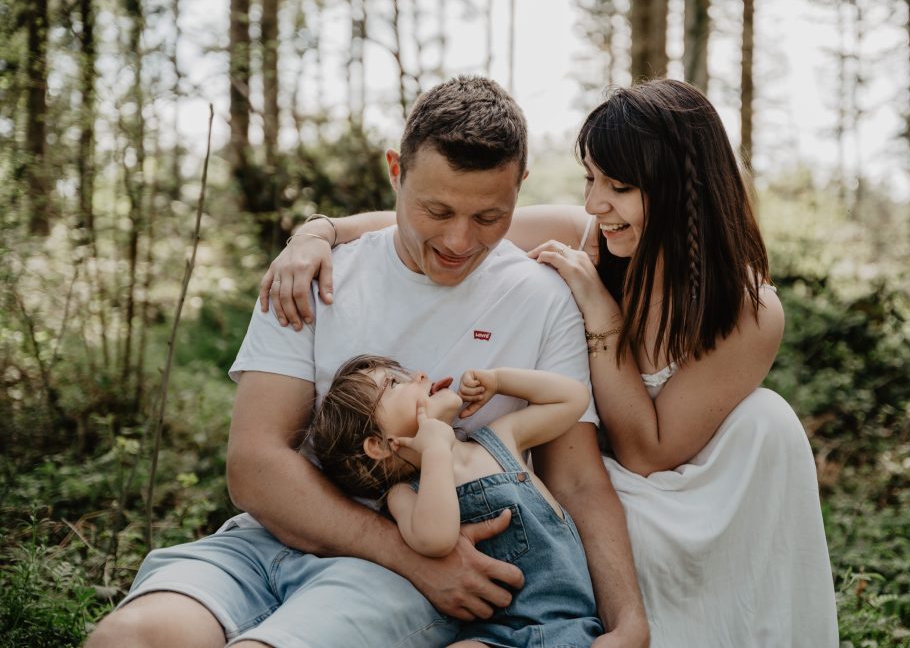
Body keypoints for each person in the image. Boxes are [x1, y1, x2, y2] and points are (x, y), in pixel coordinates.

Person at [261, 78, 840, 647]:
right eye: (592, 179)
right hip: (583, 475)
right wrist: (319, 232)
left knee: (766, 418)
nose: (594, 203)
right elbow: (427, 218)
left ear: (679, 189)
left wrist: (600, 311)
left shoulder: (748, 309)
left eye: (618, 186)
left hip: (675, 485)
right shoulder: (584, 234)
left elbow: (646, 453)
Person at [86, 77, 648, 648]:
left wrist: (629, 620)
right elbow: (254, 464)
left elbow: (576, 479)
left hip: (389, 584)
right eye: (437, 209)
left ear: (519, 187)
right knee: (126, 638)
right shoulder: (314, 276)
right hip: (266, 544)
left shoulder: (542, 298)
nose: (459, 240)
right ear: (395, 172)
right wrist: (410, 555)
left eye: (488, 217)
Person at [311, 355, 603, 647]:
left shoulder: (500, 439)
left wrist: (500, 380)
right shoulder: (404, 494)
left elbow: (573, 399)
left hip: (569, 623)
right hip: (495, 635)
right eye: (394, 384)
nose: (421, 375)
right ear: (377, 445)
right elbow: (437, 538)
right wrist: (436, 449)